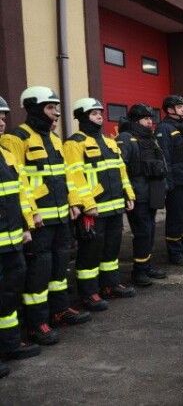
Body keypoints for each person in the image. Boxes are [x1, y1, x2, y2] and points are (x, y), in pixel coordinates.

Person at [0, 86, 91, 345]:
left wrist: (74, 203)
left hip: (62, 216)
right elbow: (18, 184)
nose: (56, 114)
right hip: (40, 220)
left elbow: (67, 177)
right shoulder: (16, 139)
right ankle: (36, 322)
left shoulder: (54, 139)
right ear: (35, 108)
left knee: (59, 266)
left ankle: (59, 310)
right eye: (51, 108)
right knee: (38, 271)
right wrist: (30, 215)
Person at [64, 98, 136, 309]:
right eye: (94, 113)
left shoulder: (110, 141)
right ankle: (89, 293)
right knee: (90, 252)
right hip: (93, 209)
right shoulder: (74, 143)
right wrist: (86, 204)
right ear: (82, 117)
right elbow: (74, 177)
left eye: (99, 112)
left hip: (114, 206)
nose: (99, 116)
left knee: (111, 249)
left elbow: (122, 171)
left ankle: (110, 285)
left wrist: (128, 195)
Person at [0, 96, 40, 378]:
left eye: (3, 117)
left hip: (12, 239)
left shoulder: (5, 154)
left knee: (9, 292)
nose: (2, 122)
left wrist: (25, 227)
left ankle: (10, 344)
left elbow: (18, 194)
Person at [116, 104, 168, 287]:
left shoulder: (150, 138)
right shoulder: (126, 138)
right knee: (142, 233)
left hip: (151, 192)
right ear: (137, 120)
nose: (150, 122)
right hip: (137, 194)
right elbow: (121, 168)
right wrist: (127, 194)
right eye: (146, 119)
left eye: (150, 119)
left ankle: (147, 266)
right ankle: (138, 272)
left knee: (150, 231)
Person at [156, 95, 183, 265]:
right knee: (176, 217)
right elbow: (164, 157)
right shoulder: (164, 128)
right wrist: (168, 182)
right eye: (179, 106)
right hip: (177, 182)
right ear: (170, 109)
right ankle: (175, 252)